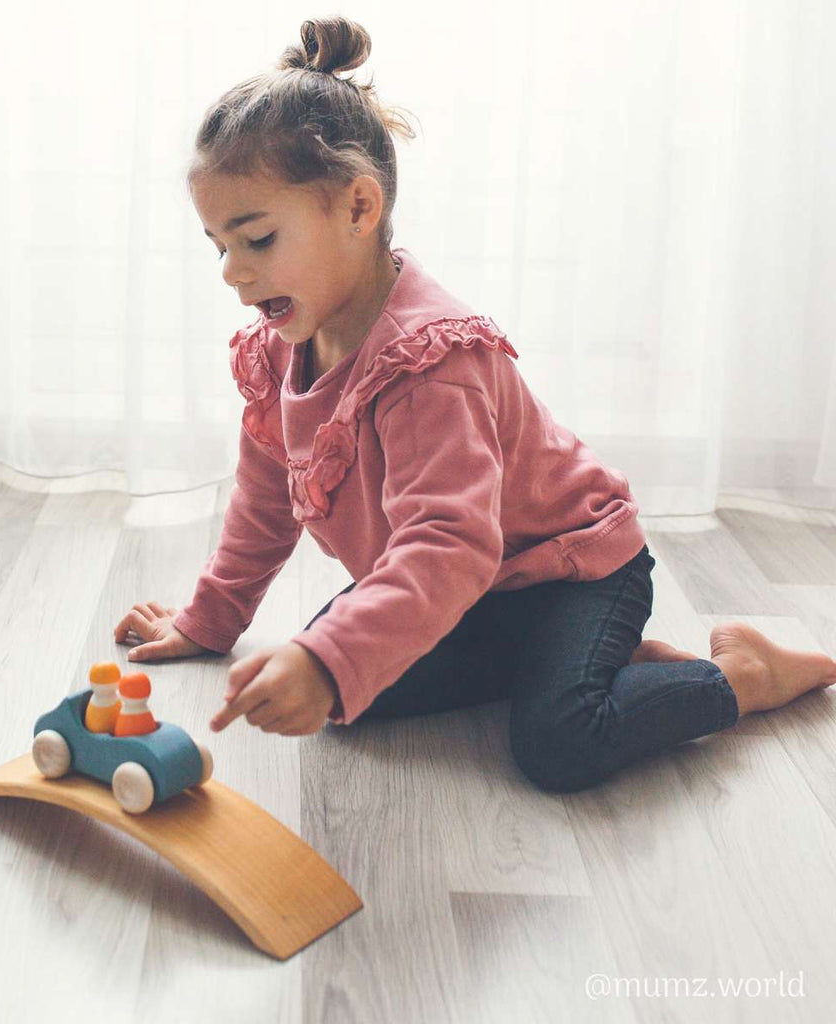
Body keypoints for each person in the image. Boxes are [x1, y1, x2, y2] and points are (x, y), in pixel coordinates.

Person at [114, 16, 836, 792]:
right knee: (339, 693)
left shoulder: (431, 364)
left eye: (255, 240)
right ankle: (574, 661)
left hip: (570, 570)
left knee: (561, 744)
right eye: (217, 244)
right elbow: (265, 503)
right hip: (474, 588)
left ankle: (740, 675)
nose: (230, 271)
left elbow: (447, 545)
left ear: (359, 208)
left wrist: (329, 661)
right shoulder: (281, 346)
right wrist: (210, 621)